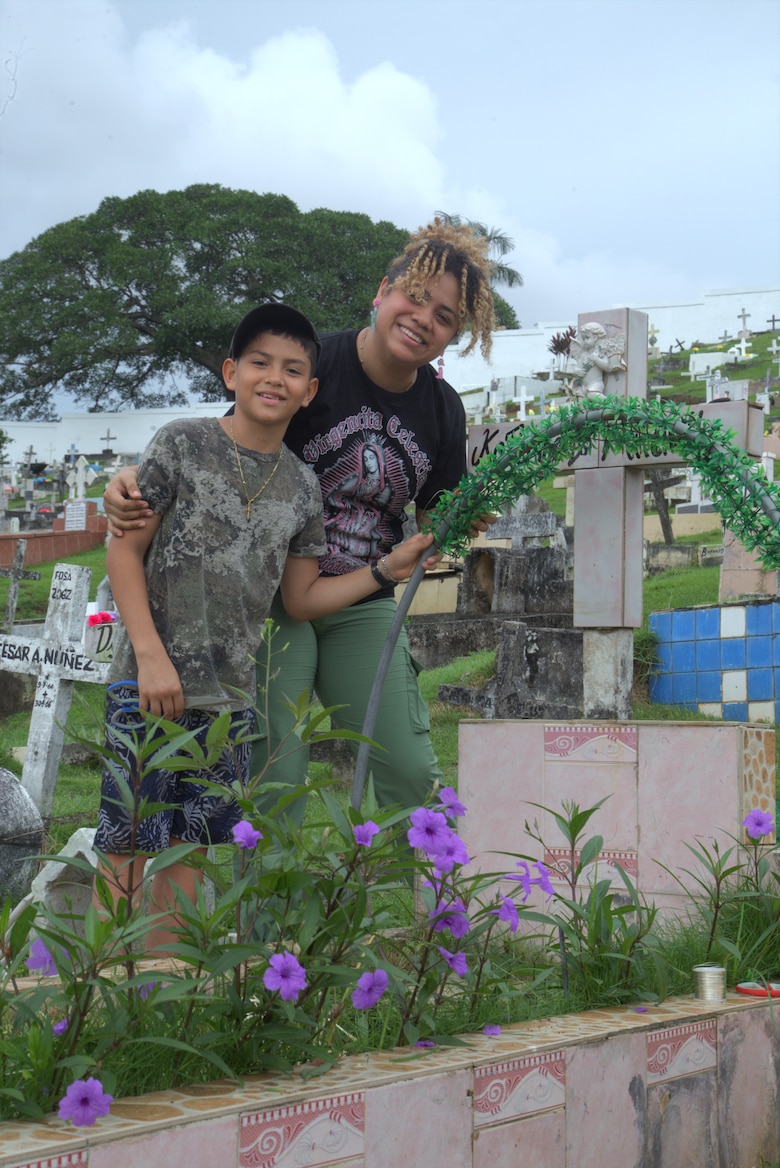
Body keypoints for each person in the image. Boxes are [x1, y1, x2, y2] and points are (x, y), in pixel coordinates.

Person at [103, 219, 497, 826]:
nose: (423, 319)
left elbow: (435, 512)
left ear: (454, 337)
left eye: (444, 317)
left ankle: (429, 915)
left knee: (411, 769)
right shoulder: (314, 367)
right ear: (382, 290)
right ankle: (269, 924)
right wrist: (128, 478)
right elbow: (226, 448)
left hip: (361, 596)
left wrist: (461, 517)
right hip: (269, 601)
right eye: (414, 298)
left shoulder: (441, 409)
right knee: (273, 775)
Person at [94, 303, 435, 952]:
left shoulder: (302, 490)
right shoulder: (182, 444)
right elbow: (122, 551)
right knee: (127, 845)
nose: (273, 378)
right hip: (148, 687)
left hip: (229, 706)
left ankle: (167, 1003)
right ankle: (104, 997)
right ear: (231, 372)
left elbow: (302, 599)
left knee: (190, 853)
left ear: (310, 392)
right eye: (259, 363)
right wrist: (150, 655)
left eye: (292, 370)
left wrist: (386, 568)